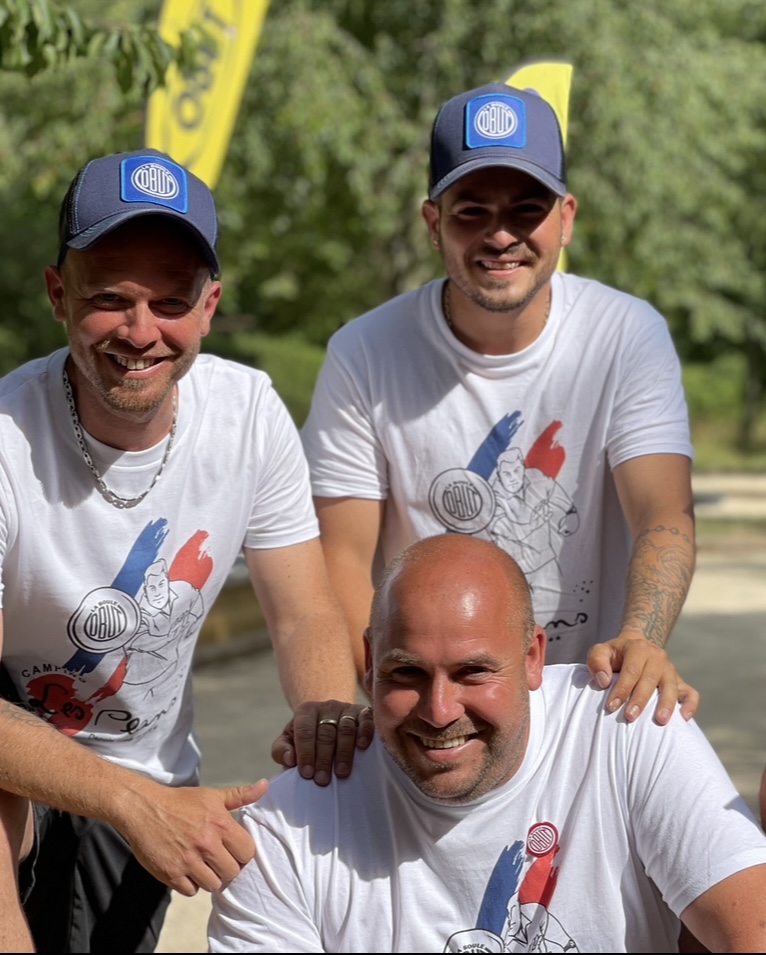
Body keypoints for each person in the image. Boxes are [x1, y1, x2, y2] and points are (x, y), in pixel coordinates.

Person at [0, 149, 370, 954]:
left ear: (210, 306)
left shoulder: (250, 413)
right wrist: (129, 802)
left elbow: (305, 611)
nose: (141, 331)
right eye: (110, 299)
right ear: (57, 294)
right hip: (27, 773)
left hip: (155, 778)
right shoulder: (3, 441)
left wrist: (326, 720)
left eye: (170, 302)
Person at [301, 80, 698, 724]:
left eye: (525, 209)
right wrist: (382, 701)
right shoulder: (364, 351)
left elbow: (663, 512)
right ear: (434, 224)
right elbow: (339, 555)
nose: (500, 235)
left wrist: (642, 640)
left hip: (586, 698)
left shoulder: (626, 333)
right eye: (471, 211)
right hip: (438, 709)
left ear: (565, 219)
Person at [208, 535, 766, 953]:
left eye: (474, 672)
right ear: (371, 658)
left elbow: (748, 930)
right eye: (406, 674)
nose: (440, 710)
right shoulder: (282, 829)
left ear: (533, 658)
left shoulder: (625, 724)